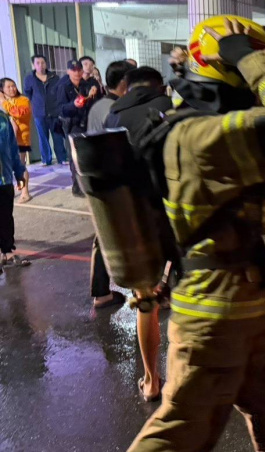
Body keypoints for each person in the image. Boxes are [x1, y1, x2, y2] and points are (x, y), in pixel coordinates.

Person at [126, 16, 265, 450]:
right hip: (214, 318)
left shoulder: (201, 126)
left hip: (242, 309)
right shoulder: (199, 134)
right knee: (180, 432)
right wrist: (250, 53)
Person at [104, 65, 175, 402]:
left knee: (146, 302)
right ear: (158, 86)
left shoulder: (111, 118)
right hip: (176, 219)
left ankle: (152, 380)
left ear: (126, 88)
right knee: (191, 297)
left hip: (133, 225)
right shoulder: (171, 112)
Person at [85, 60, 135, 311]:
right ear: (125, 83)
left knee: (102, 238)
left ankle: (101, 293)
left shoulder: (97, 106)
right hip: (115, 182)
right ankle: (145, 290)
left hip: (96, 180)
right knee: (133, 234)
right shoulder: (117, 109)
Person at [57, 59, 102, 197]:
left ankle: (88, 184)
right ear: (68, 71)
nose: (76, 72)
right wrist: (73, 105)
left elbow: (97, 98)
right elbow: (60, 109)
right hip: (72, 125)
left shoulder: (86, 84)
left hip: (87, 123)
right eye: (73, 70)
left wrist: (96, 90)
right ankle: (77, 187)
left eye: (78, 70)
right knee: (75, 157)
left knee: (87, 155)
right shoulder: (63, 87)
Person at [23, 54, 66, 166]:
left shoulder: (54, 77)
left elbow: (60, 93)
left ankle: (62, 158)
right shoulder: (29, 79)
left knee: (57, 136)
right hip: (39, 113)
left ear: (46, 64)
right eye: (38, 63)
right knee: (43, 137)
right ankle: (46, 159)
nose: (40, 65)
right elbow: (27, 95)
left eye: (42, 63)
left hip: (54, 111)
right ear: (34, 65)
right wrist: (34, 106)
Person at [0, 111, 30, 270]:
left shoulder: (3, 119)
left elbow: (12, 149)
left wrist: (19, 172)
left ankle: (7, 252)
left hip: (4, 179)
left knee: (5, 216)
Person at [1, 78, 33, 203]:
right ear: (2, 90)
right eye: (8, 87)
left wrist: (3, 102)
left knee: (20, 165)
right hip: (4, 141)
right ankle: (17, 186)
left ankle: (25, 192)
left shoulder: (24, 100)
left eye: (13, 85)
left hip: (20, 140)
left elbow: (18, 113)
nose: (12, 88)